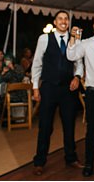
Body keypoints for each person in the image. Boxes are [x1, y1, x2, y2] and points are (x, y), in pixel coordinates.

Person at [31, 10, 85, 175]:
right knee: (45, 126)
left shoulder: (74, 38)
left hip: (68, 89)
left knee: (69, 125)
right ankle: (39, 161)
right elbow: (37, 63)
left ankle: (71, 158)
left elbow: (79, 62)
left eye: (66, 19)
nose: (63, 21)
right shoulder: (44, 38)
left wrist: (77, 76)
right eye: (60, 19)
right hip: (49, 88)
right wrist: (35, 86)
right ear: (55, 22)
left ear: (68, 23)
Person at [66, 14, 94, 176]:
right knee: (91, 131)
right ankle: (89, 165)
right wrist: (73, 37)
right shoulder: (86, 44)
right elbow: (71, 55)